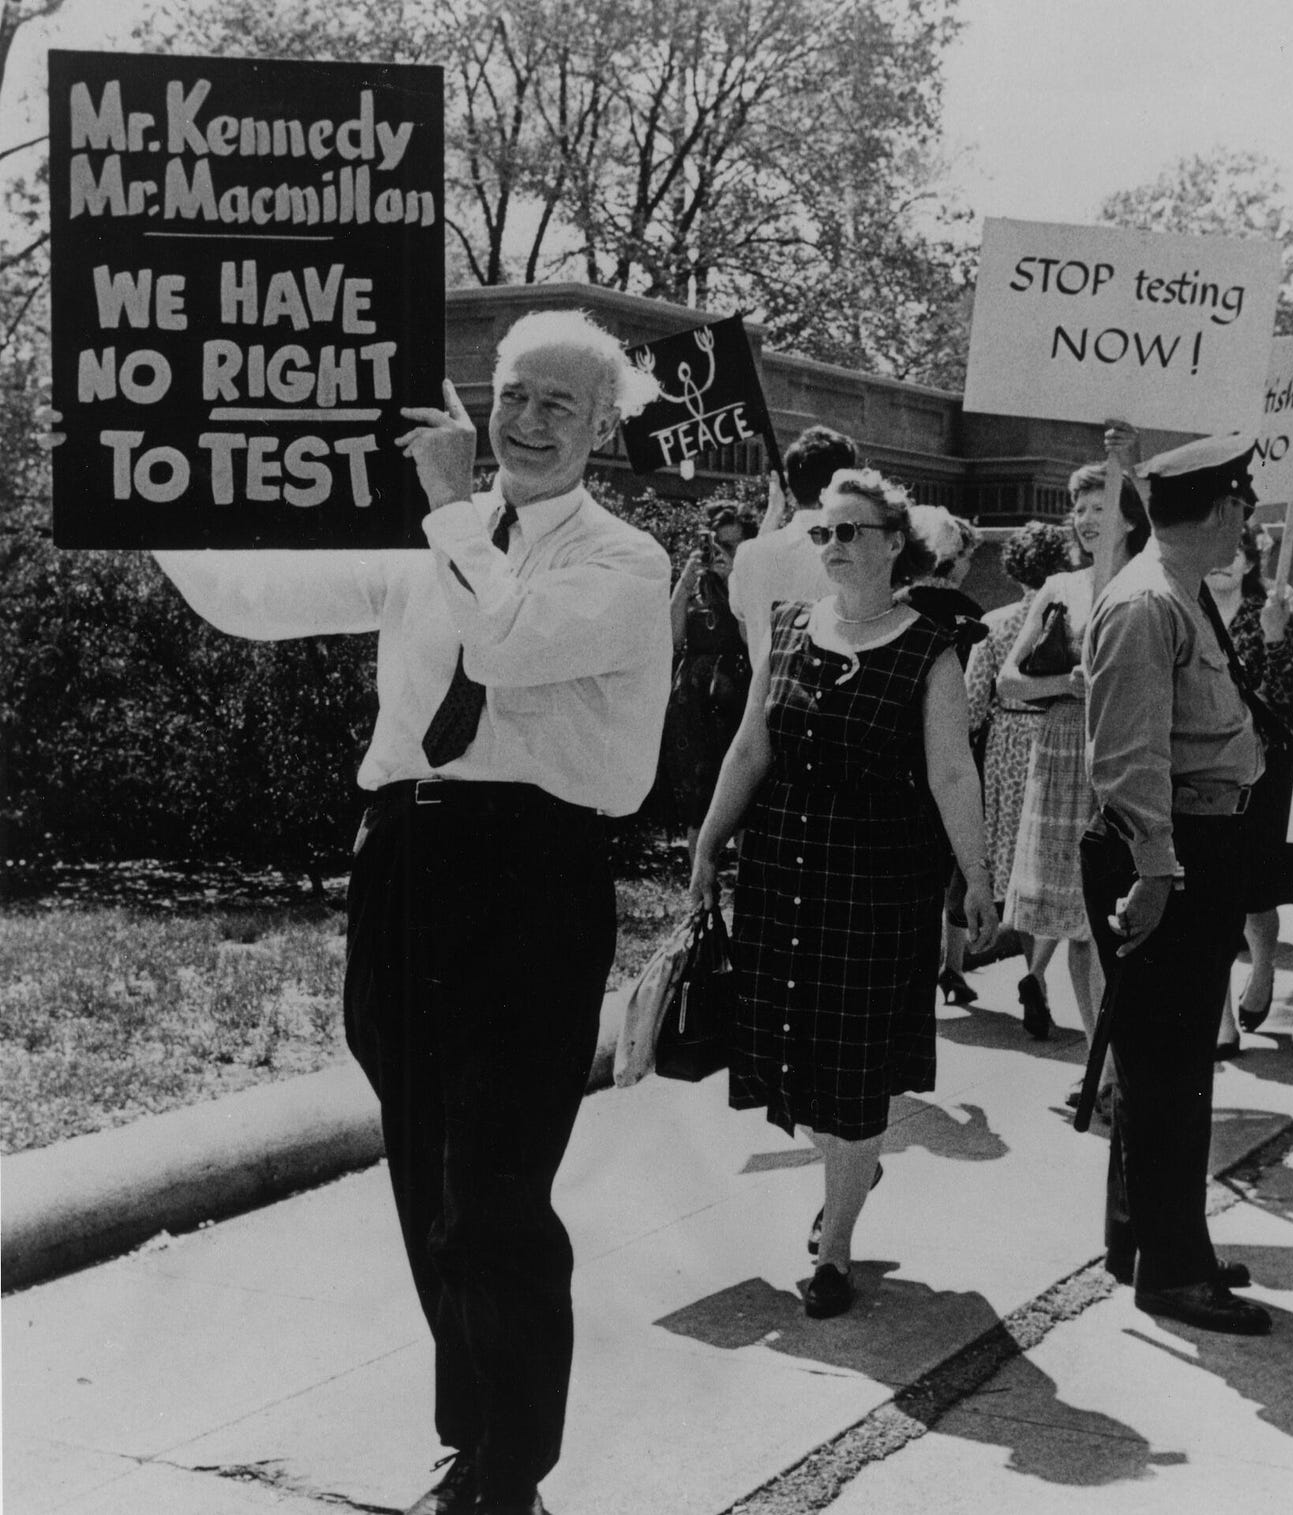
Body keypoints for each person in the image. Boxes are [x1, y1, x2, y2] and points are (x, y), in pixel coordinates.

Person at [155, 309, 673, 1515]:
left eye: (559, 405)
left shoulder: (621, 561)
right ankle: (471, 1435)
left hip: (530, 876)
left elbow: (506, 643)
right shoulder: (438, 541)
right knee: (426, 1178)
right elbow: (253, 598)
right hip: (406, 863)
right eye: (514, 395)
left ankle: (510, 1476)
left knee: (496, 1191)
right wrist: (137, 484)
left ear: (604, 427)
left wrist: (446, 504)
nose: (527, 423)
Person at [689, 468, 997, 1320]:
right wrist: (711, 839)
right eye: (823, 532)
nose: (832, 546)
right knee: (794, 1053)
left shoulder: (929, 649)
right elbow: (751, 746)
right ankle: (851, 1165)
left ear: (896, 543)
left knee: (855, 1067)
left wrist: (976, 875)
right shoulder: (788, 626)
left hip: (877, 886)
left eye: (851, 531)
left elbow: (950, 771)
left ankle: (835, 1249)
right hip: (784, 875)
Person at [1081, 433, 1269, 1337]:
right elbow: (1127, 758)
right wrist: (1156, 870)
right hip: (1163, 851)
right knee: (1170, 1069)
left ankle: (1147, 1240)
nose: (1248, 519)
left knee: (1162, 1060)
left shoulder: (1179, 594)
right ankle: (1173, 1271)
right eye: (1243, 503)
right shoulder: (1147, 602)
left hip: (1189, 843)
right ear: (1222, 508)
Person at [997, 432, 1149, 1103]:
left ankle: (1120, 1069)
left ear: (1130, 514)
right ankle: (1102, 1070)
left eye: (1101, 504)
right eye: (1077, 507)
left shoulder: (1150, 584)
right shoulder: (1059, 586)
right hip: (1062, 760)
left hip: (1123, 763)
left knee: (1113, 929)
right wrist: (1068, 684)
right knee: (1079, 931)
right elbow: (1008, 682)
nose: (1086, 519)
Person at [964, 521, 1072, 1035]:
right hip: (1054, 736)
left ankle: (1037, 977)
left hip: (1006, 740)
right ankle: (1037, 970)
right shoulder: (1069, 620)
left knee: (1018, 864)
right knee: (1056, 858)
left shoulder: (995, 622)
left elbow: (971, 705)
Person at [1202, 526, 1293, 1056]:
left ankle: (1263, 968)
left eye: (1235, 551)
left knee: (1257, 898)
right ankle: (1220, 1021)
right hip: (1202, 772)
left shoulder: (1270, 610)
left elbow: (1285, 696)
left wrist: (1273, 636)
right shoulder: (1183, 607)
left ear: (1249, 560)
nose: (1223, 562)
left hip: (1262, 772)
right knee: (1215, 899)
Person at [901, 507, 990, 1004]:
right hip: (946, 747)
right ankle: (947, 964)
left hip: (896, 752)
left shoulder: (892, 605)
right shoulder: (965, 616)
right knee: (948, 860)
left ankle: (939, 967)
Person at [663, 503, 759, 864]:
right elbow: (671, 639)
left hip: (737, 696)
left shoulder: (751, 581)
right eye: (718, 544)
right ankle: (701, 899)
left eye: (733, 546)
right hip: (694, 703)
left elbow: (755, 639)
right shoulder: (696, 583)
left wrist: (737, 575)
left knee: (746, 800)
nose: (722, 553)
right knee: (697, 801)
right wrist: (685, 582)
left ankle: (749, 896)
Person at [728, 425, 859, 666]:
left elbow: (742, 614)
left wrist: (775, 510)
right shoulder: (855, 552)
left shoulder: (749, 555)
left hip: (767, 696)